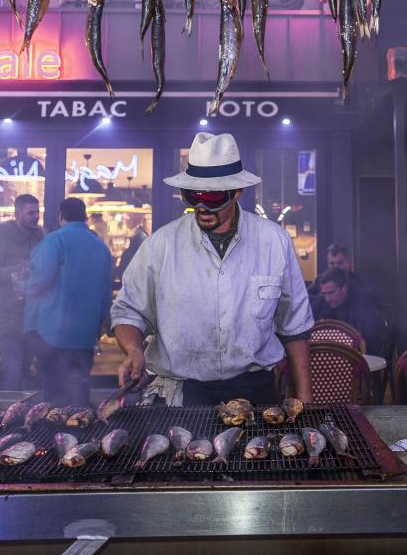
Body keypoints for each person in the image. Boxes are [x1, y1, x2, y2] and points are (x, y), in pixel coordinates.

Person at [111, 132, 314, 406]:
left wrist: (304, 396)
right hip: (181, 393)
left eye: (213, 197)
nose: (202, 206)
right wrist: (133, 349)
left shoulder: (273, 241)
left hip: (253, 389)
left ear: (236, 192)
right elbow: (128, 310)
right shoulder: (161, 244)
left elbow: (295, 326)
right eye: (193, 196)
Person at [23, 197, 113, 405]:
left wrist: (20, 287)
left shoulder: (55, 241)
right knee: (79, 388)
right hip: (84, 334)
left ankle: (54, 434)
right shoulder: (101, 247)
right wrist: (98, 325)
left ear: (61, 216)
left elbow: (39, 281)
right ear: (85, 217)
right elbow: (105, 295)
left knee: (53, 394)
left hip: (51, 333)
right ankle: (80, 432)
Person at [0, 194, 44, 390]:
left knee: (26, 373)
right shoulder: (2, 236)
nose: (36, 217)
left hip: (33, 316)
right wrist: (16, 271)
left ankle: (23, 418)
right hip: (9, 318)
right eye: (31, 213)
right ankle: (5, 418)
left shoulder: (40, 236)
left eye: (38, 212)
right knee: (13, 372)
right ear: (17, 214)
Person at [311, 267, 388, 358]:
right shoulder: (320, 305)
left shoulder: (363, 305)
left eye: (332, 293)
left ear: (344, 288)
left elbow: (374, 342)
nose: (328, 299)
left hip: (357, 361)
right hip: (323, 362)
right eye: (324, 294)